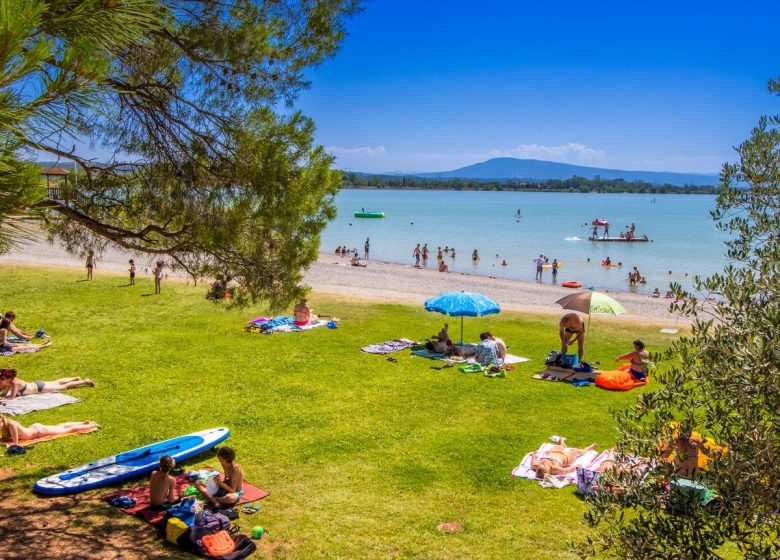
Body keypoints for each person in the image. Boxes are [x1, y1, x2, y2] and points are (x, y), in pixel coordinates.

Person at [0, 416, 99, 445]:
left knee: (67, 430)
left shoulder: (11, 424)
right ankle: (83, 423)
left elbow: (16, 442)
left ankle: (91, 425)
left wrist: (6, 444)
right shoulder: (5, 426)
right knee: (63, 427)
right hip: (35, 429)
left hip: (39, 431)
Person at [0, 369, 94, 399]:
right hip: (36, 384)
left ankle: (84, 381)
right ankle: (75, 378)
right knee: (56, 382)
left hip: (40, 388)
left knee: (63, 387)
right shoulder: (10, 382)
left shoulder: (13, 383)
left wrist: (3, 398)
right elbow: (4, 394)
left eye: (2, 378)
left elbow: (11, 398)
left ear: (7, 378)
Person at [531, 439, 598, 479]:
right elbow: (567, 471)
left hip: (554, 452)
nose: (544, 464)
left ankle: (562, 442)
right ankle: (588, 448)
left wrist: (534, 457)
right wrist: (576, 467)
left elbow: (533, 458)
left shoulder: (536, 465)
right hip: (565, 457)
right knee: (577, 452)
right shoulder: (554, 468)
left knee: (560, 446)